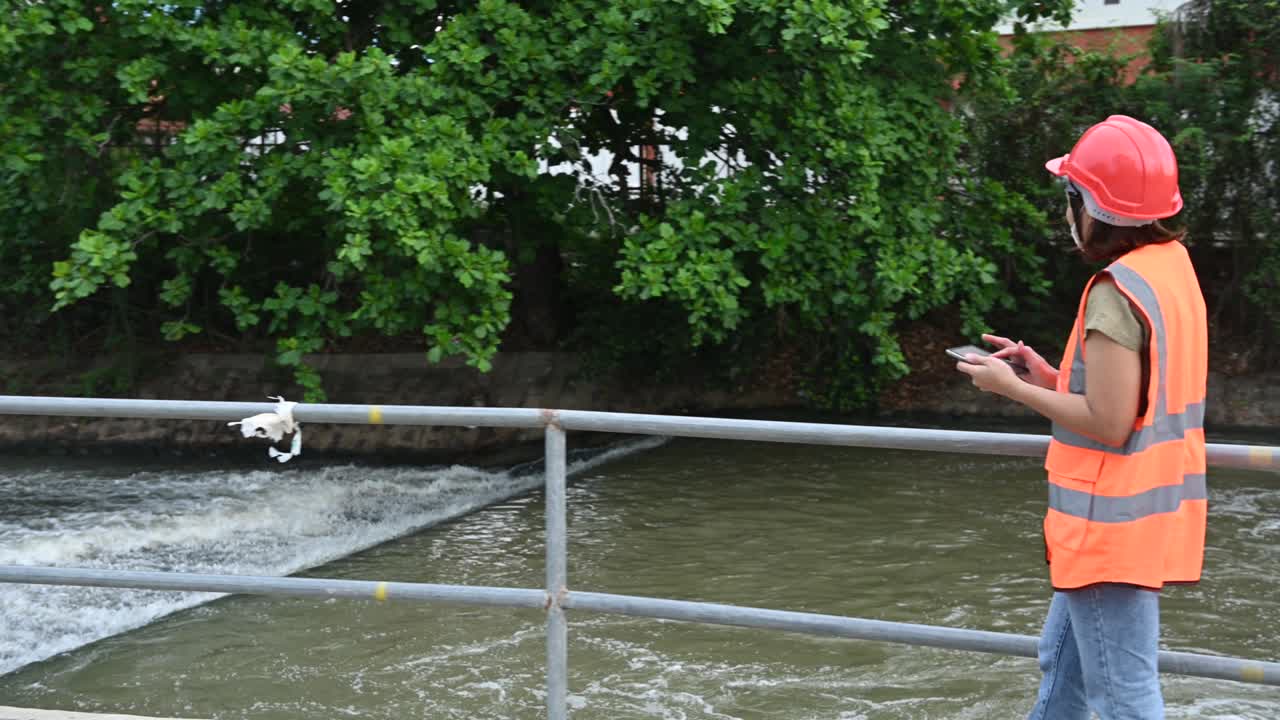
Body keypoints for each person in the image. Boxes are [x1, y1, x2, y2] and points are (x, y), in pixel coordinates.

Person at [955, 114, 1208, 720]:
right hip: (1140, 512)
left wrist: (1010, 390)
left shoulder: (1115, 290)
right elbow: (1140, 393)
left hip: (1108, 524)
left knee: (1123, 697)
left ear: (1090, 205)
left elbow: (1111, 421)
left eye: (1070, 196)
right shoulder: (1170, 267)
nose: (1065, 211)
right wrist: (1048, 378)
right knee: (1062, 667)